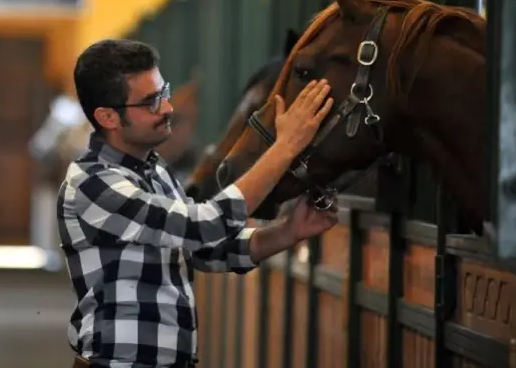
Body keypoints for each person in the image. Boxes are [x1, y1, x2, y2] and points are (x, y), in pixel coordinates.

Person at [58, 39, 337, 368]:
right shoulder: (93, 183)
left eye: (164, 93)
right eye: (150, 102)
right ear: (108, 117)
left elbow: (204, 250)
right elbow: (201, 227)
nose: (167, 108)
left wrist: (286, 232)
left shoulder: (155, 170)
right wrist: (285, 146)